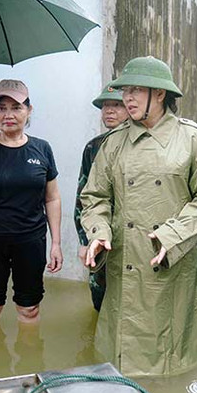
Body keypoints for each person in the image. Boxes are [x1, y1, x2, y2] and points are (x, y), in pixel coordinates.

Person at [80, 56, 197, 376]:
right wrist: (99, 233)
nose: (127, 98)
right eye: (125, 91)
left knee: (170, 366)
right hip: (124, 262)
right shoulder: (113, 143)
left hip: (171, 261)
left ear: (159, 94)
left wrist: (171, 235)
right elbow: (94, 197)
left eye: (136, 90)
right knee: (118, 366)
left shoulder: (191, 138)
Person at [0, 79, 62, 327]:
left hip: (30, 239)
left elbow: (52, 198)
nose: (9, 115)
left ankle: (29, 351)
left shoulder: (42, 148)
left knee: (29, 309)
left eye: (16, 107)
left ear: (29, 110)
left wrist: (56, 243)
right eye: (1, 108)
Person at [75, 84, 129, 311]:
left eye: (116, 105)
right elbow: (83, 198)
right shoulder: (93, 147)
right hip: (99, 235)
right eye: (105, 105)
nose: (109, 110)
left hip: (131, 235)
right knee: (100, 295)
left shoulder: (142, 147)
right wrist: (84, 241)